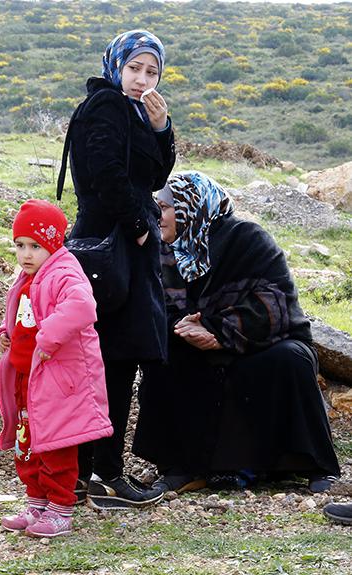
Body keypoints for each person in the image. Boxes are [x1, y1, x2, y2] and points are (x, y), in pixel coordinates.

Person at [135, 171, 340, 494]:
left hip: (258, 341)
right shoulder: (163, 251)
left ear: (191, 208)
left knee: (290, 360)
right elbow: (153, 305)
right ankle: (183, 467)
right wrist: (184, 328)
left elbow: (277, 303)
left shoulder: (247, 238)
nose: (157, 216)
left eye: (164, 207)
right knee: (166, 359)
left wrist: (219, 332)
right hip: (193, 342)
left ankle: (311, 466)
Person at [64, 29, 176, 509]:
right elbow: (104, 171)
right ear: (116, 65)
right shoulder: (107, 105)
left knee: (112, 361)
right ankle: (100, 475)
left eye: (152, 72)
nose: (142, 80)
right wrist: (139, 225)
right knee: (109, 361)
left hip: (117, 249)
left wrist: (161, 128)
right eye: (134, 68)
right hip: (112, 250)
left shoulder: (131, 110)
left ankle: (90, 474)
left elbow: (156, 176)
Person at [0, 200, 112, 538]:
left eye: (35, 246)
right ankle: (36, 504)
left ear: (54, 244)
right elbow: (24, 318)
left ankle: (60, 509)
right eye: (20, 246)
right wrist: (8, 334)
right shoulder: (29, 277)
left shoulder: (64, 272)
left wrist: (48, 337)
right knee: (27, 444)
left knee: (56, 447)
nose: (26, 254)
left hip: (57, 382)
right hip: (26, 379)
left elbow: (83, 306)